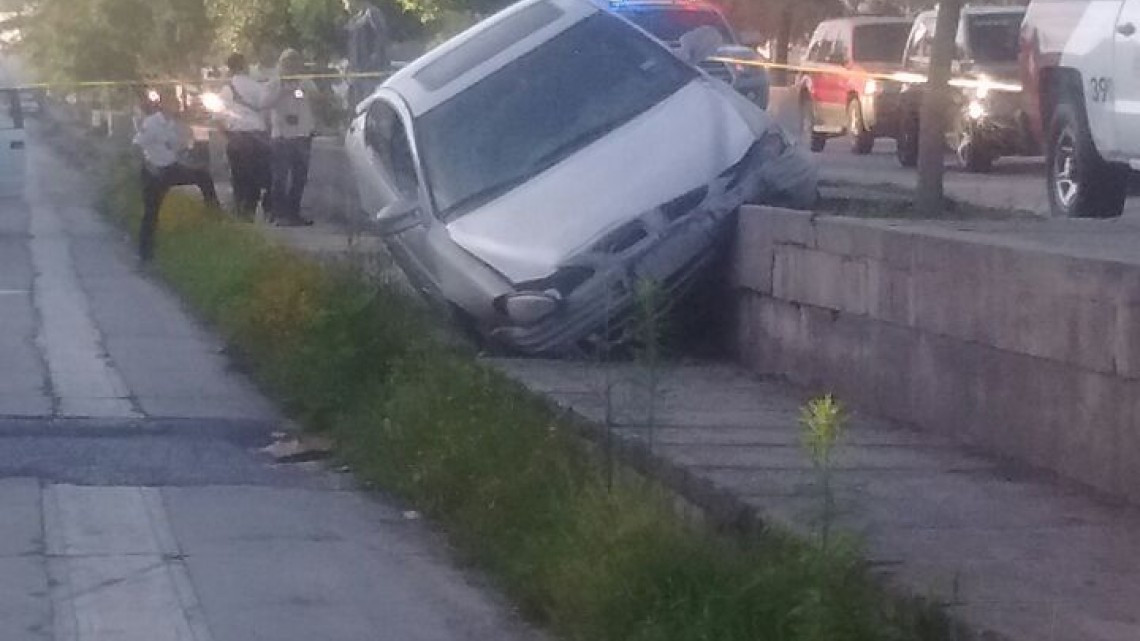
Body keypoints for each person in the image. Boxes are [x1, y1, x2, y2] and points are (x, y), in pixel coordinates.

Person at [132, 87, 220, 262]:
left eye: (177, 102)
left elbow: (182, 148)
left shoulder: (176, 124)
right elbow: (137, 145)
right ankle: (145, 253)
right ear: (163, 104)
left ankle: (214, 211)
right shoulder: (151, 123)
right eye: (173, 102)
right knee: (151, 212)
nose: (177, 106)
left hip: (170, 168)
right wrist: (148, 164)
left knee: (203, 176)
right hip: (153, 171)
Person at [217, 53, 278, 220]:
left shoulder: (225, 89)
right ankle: (261, 207)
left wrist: (229, 136)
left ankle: (242, 211)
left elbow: (218, 118)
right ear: (244, 65)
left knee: (239, 176)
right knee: (261, 174)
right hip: (258, 136)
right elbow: (267, 109)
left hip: (237, 137)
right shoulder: (257, 86)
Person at [268, 49, 316, 226]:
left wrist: (301, 89)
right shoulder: (274, 84)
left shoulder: (305, 83)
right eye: (288, 63)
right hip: (282, 137)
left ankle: (293, 213)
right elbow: (264, 103)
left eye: (294, 62)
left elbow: (317, 98)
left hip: (302, 135)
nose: (291, 66)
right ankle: (279, 214)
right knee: (280, 178)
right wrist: (282, 89)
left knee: (300, 178)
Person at [344, 0, 389, 108]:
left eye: (346, 2)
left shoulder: (372, 13)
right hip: (357, 72)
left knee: (369, 104)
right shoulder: (356, 18)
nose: (345, 5)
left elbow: (381, 36)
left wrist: (375, 56)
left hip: (370, 72)